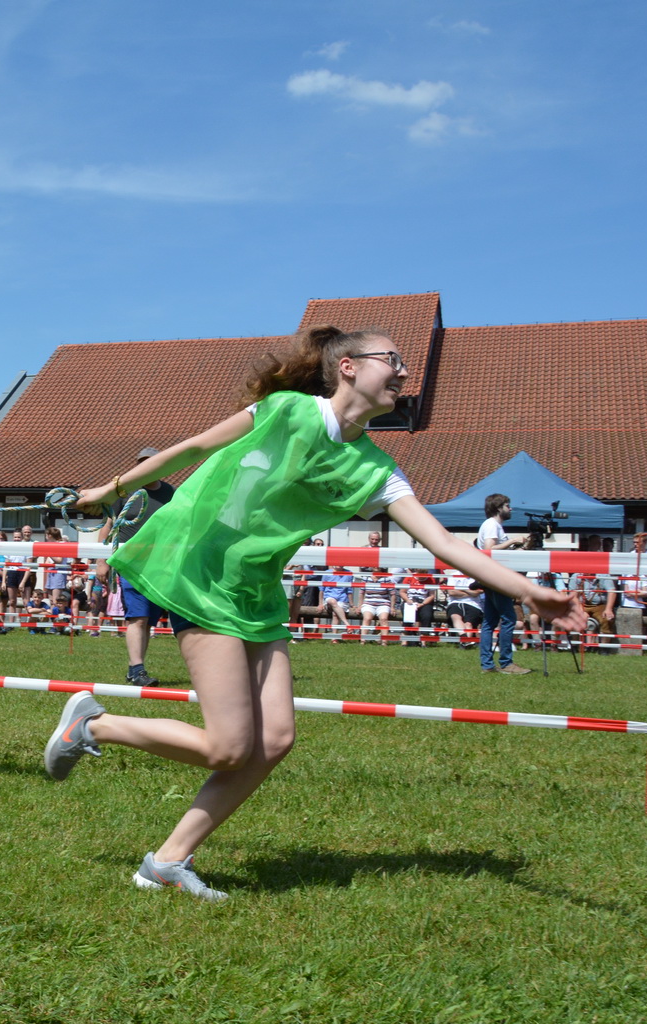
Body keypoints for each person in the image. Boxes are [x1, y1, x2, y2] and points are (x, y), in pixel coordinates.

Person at [44, 326, 583, 901]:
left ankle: (167, 862)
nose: (404, 373)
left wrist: (529, 590)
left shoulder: (378, 471)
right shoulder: (285, 409)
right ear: (348, 367)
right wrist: (109, 488)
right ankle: (93, 725)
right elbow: (197, 447)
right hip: (201, 574)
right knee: (229, 747)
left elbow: (448, 546)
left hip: (255, 591)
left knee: (273, 740)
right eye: (393, 360)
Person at [109, 448, 176, 684]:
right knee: (137, 617)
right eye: (142, 463)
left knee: (148, 619)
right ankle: (137, 669)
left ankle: (134, 668)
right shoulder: (125, 492)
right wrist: (99, 559)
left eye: (151, 462)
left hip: (159, 564)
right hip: (130, 563)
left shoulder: (170, 492)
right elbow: (109, 524)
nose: (146, 467)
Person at [475, 494, 530, 673]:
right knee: (509, 619)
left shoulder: (493, 525)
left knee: (490, 622)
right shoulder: (492, 525)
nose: (510, 509)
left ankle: (487, 664)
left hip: (491, 577)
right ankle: (506, 662)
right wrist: (513, 541)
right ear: (499, 508)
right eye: (508, 505)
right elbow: (489, 549)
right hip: (496, 578)